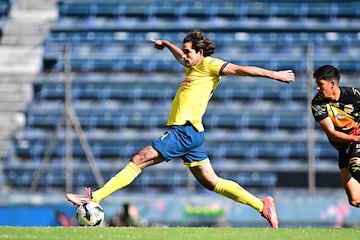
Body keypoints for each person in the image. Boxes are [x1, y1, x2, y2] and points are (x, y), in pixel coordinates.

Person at [66, 30, 295, 228]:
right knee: (212, 182)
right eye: (184, 51)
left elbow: (242, 69)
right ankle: (261, 205)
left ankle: (93, 197)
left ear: (200, 53)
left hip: (184, 131)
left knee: (139, 158)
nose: (184, 56)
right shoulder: (192, 67)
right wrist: (167, 45)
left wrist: (275, 74)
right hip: (192, 134)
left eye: (188, 52)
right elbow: (181, 57)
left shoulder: (210, 65)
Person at [311, 64, 360, 207]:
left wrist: (357, 138)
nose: (318, 88)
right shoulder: (318, 103)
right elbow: (332, 134)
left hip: (357, 138)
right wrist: (355, 139)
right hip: (345, 145)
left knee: (356, 166)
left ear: (332, 83)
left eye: (320, 84)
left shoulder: (354, 95)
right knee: (355, 199)